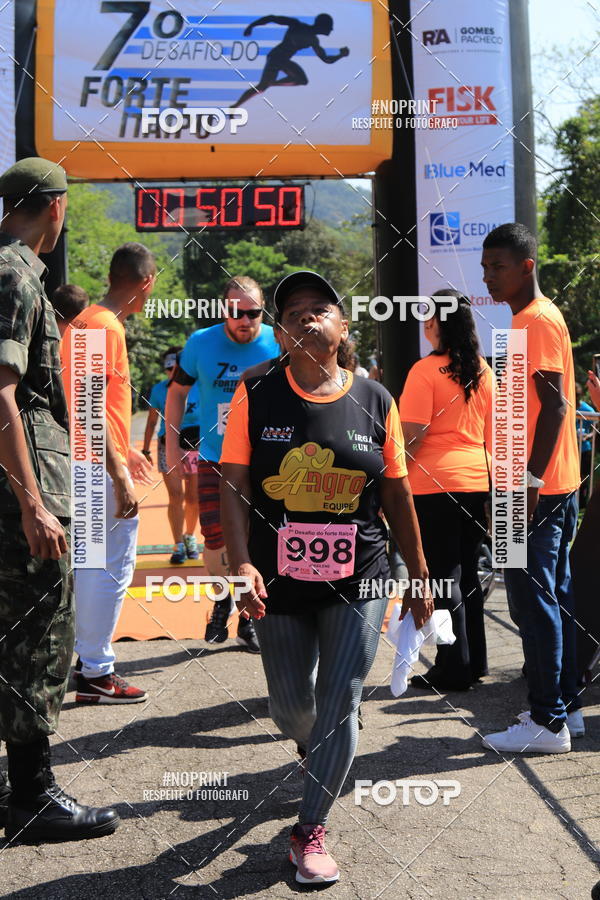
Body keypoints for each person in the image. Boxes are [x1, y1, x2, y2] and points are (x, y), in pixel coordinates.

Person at [220, 270, 432, 884]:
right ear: (282, 333)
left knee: (341, 702)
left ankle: (309, 829)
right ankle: (317, 749)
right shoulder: (255, 392)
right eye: (294, 313)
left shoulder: (376, 400)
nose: (308, 318)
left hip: (360, 572)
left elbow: (396, 492)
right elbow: (233, 484)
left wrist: (416, 573)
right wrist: (240, 563)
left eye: (321, 309)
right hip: (278, 575)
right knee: (292, 705)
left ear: (343, 327)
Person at [0, 157, 119, 841]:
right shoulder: (15, 274)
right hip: (21, 497)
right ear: (57, 207)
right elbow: (2, 393)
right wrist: (32, 504)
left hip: (17, 489)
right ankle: (35, 798)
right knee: (39, 641)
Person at [480, 223, 582, 753]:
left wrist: (527, 481)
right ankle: (567, 707)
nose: (488, 276)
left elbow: (559, 407)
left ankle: (547, 722)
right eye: (484, 267)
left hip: (531, 489)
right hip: (546, 483)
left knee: (531, 602)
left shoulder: (535, 321)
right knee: (551, 597)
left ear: (527, 266)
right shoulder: (532, 319)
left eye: (497, 266)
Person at [61, 242, 155, 704]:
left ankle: (86, 666)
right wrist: (119, 474)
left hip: (85, 461)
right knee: (107, 567)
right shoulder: (105, 326)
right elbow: (88, 407)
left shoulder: (89, 321)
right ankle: (96, 671)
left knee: (88, 566)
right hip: (95, 465)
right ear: (146, 283)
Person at [166, 276, 279, 653]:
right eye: (236, 313)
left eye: (253, 312)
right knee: (214, 538)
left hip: (263, 459)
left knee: (253, 538)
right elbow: (177, 391)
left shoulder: (276, 341)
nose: (245, 320)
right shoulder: (201, 343)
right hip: (215, 457)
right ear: (224, 310)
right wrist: (171, 447)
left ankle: (248, 618)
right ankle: (222, 598)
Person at [400, 291, 493, 691]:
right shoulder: (484, 372)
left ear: (440, 323)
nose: (425, 325)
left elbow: (413, 433)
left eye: (428, 318)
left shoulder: (425, 371)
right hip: (476, 480)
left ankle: (452, 666)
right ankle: (474, 662)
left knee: (443, 576)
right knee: (469, 573)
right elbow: (490, 436)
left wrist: (392, 479)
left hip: (433, 483)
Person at [143, 348, 200, 564]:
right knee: (176, 496)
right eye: (168, 369)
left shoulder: (199, 387)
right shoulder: (159, 390)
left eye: (176, 369)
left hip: (196, 445)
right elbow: (150, 421)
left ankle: (190, 536)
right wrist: (146, 449)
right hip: (168, 445)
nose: (172, 373)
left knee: (193, 498)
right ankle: (178, 545)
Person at [233, 14, 349, 108]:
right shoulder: (297, 25)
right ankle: (235, 106)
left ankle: (269, 83)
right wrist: (251, 26)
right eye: (329, 27)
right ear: (323, 26)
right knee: (262, 87)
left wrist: (340, 55)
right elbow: (272, 18)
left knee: (302, 80)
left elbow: (326, 59)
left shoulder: (313, 40)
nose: (331, 30)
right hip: (276, 57)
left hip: (283, 60)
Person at [575, 382, 595, 508]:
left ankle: (582, 505)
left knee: (583, 478)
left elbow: (594, 430)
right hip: (569, 450)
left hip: (584, 449)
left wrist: (587, 436)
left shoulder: (588, 410)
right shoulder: (565, 405)